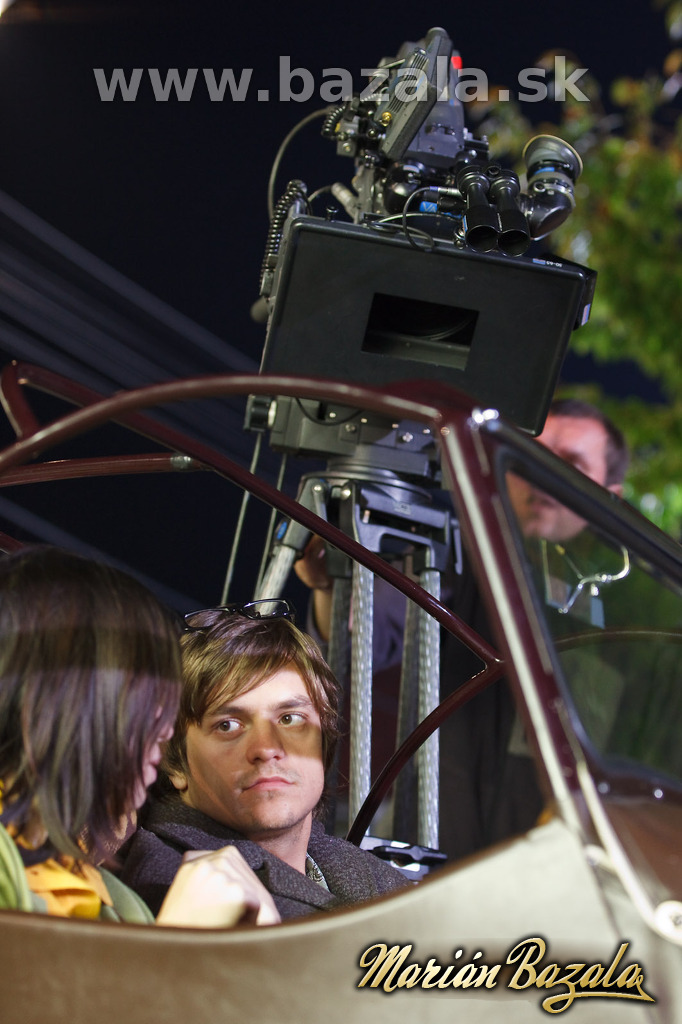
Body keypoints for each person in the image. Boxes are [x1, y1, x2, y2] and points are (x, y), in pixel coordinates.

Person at [294, 398, 630, 857]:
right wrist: (331, 586)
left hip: (559, 871)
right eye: (529, 456)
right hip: (428, 855)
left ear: (611, 496)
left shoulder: (632, 625)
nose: (542, 474)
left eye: (571, 464)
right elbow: (362, 639)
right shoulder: (445, 561)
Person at [0, 545, 279, 928]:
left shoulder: (106, 891)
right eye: (147, 696)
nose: (166, 729)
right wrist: (178, 941)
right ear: (67, 699)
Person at [119, 603, 409, 919]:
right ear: (175, 763)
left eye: (289, 718)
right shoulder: (171, 885)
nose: (267, 748)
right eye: (228, 725)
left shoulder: (358, 871)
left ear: (323, 741)